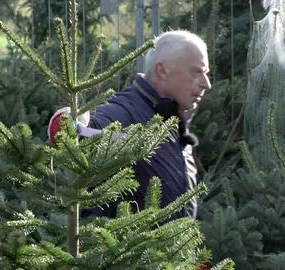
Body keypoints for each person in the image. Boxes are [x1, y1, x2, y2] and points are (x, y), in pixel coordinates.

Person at [87, 30, 212, 219]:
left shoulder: (172, 118)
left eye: (206, 74)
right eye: (196, 72)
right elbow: (83, 128)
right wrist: (69, 121)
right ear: (162, 71)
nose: (206, 84)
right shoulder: (127, 111)